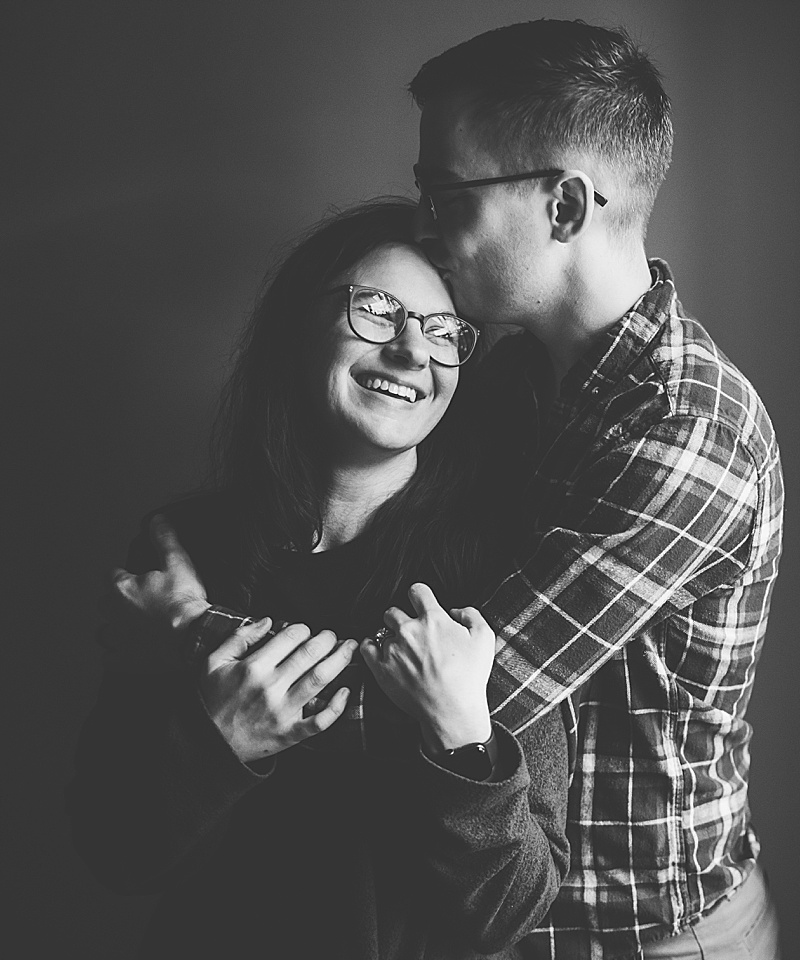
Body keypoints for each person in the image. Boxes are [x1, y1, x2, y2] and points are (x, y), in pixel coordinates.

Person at [123, 19, 785, 959]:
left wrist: (195, 629)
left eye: (446, 191)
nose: (426, 224)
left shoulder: (682, 434)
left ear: (562, 206)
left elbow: (448, 695)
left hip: (643, 931)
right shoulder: (519, 381)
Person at [68, 199, 573, 960]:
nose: (412, 351)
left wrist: (466, 739)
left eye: (443, 332)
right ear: (298, 327)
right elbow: (115, 852)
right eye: (377, 310)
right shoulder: (184, 548)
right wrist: (219, 742)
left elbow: (512, 913)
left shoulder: (501, 573)